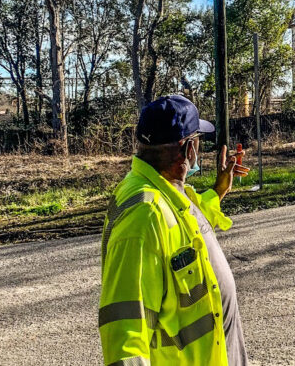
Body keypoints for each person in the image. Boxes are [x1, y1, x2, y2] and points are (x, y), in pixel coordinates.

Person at [99, 95, 250, 366]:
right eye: (198, 141)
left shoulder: (165, 194)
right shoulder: (144, 217)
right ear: (188, 148)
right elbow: (126, 334)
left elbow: (188, 228)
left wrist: (218, 190)